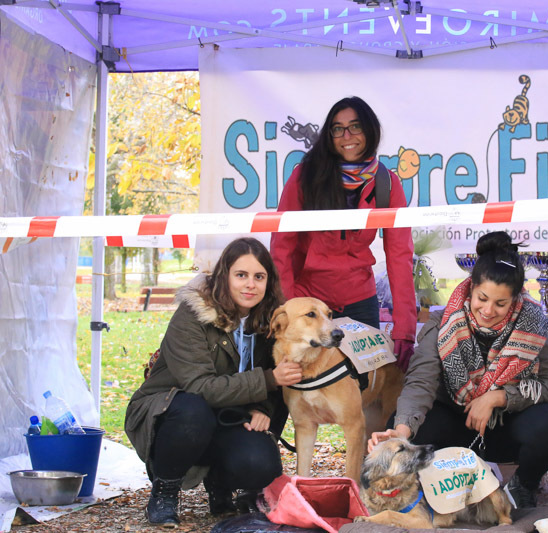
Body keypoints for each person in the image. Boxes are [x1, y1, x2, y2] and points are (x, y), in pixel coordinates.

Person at [368, 231, 548, 508]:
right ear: (471, 288)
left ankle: (523, 485)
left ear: (515, 299)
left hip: (506, 425)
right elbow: (420, 382)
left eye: (500, 304)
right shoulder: (443, 323)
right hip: (453, 424)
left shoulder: (534, 324)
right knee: (406, 424)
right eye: (482, 298)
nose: (488, 310)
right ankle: (439, 484)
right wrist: (401, 432)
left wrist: (498, 398)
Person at [124, 237, 302, 527]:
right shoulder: (193, 314)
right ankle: (164, 491)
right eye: (241, 275)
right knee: (193, 410)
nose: (250, 285)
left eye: (259, 277)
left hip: (230, 414)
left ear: (269, 282)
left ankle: (220, 485)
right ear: (224, 276)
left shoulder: (270, 318)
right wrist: (268, 380)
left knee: (261, 465)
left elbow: (281, 377)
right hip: (168, 412)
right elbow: (200, 387)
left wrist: (263, 408)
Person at [270, 96, 416, 370]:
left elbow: (400, 257)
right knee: (299, 382)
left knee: (363, 386)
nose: (347, 136)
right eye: (338, 129)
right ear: (329, 135)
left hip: (359, 301)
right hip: (308, 302)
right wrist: (289, 307)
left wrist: (405, 329)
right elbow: (281, 248)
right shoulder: (304, 177)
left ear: (370, 130)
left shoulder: (387, 183)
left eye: (355, 127)